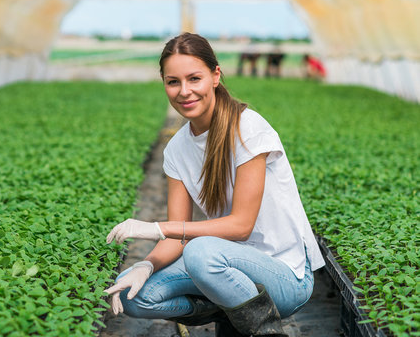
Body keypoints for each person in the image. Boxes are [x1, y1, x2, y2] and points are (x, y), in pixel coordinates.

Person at [104, 33, 325, 336]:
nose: (184, 91)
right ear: (164, 83)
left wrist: (157, 227)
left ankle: (266, 330)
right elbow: (178, 235)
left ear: (215, 76)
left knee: (201, 251)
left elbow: (240, 227)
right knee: (131, 292)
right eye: (173, 82)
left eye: (194, 78)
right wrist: (146, 266)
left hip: (284, 275)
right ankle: (228, 307)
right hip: (219, 265)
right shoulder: (177, 150)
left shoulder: (248, 128)